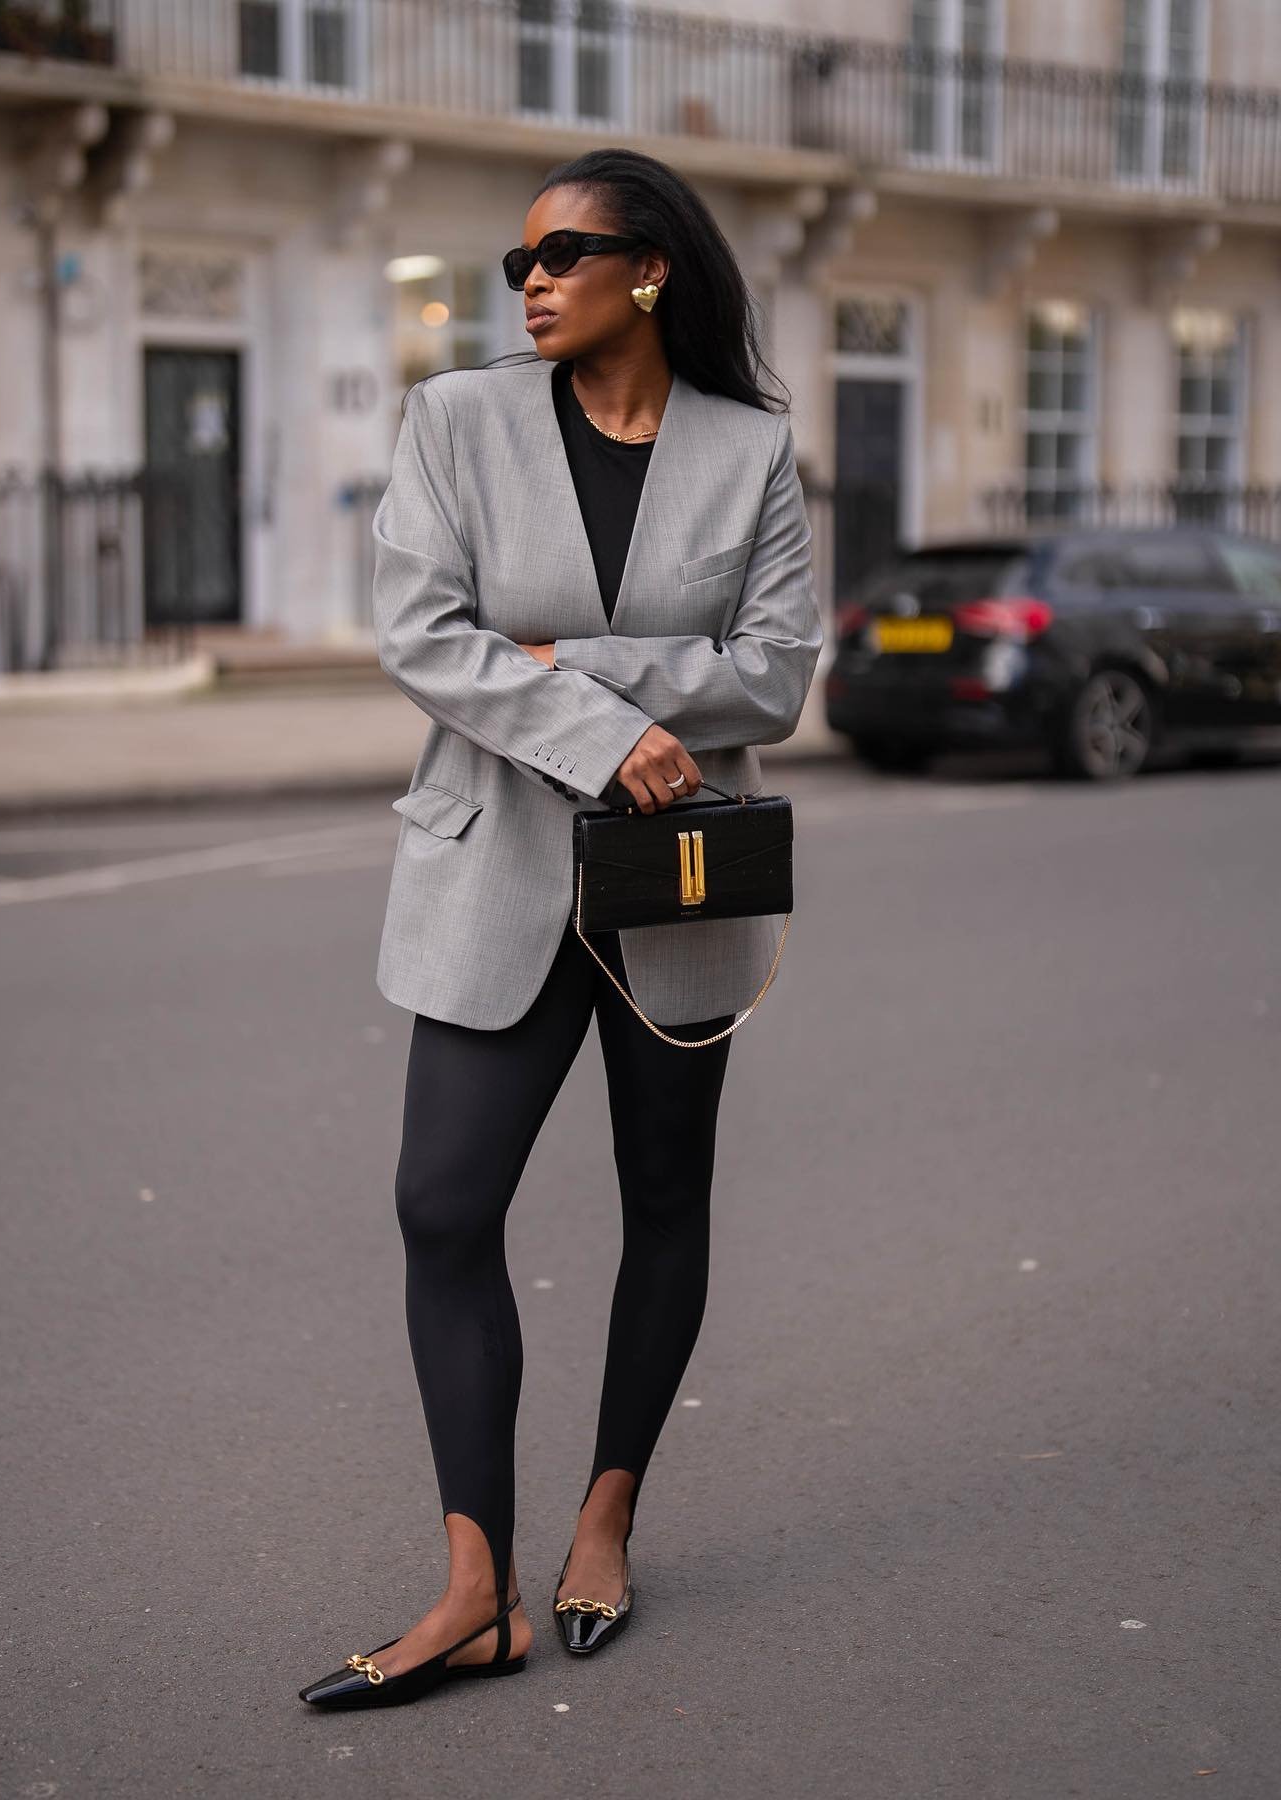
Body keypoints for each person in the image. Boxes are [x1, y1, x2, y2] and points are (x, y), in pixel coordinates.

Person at [300, 145, 823, 1711]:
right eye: (515, 261)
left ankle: (608, 1516)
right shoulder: (454, 422)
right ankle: (477, 1591)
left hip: (678, 890)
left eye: (562, 254)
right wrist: (610, 725)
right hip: (497, 874)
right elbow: (424, 638)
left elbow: (775, 675)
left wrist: (574, 663)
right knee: (442, 1207)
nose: (528, 282)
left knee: (665, 1199)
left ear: (649, 270)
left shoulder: (749, 449)